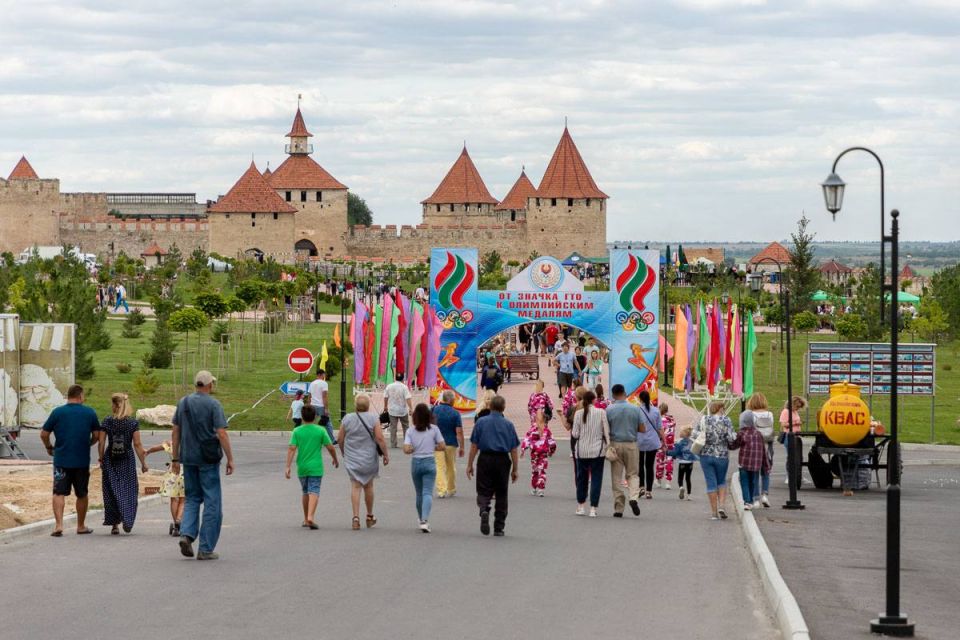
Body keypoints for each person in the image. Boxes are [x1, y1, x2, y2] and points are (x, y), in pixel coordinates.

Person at [171, 371, 235, 560]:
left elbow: (175, 431)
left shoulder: (183, 402)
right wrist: (230, 458)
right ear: (210, 385)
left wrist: (175, 458)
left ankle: (187, 534)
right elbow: (221, 433)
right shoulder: (214, 404)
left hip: (188, 458)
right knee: (212, 503)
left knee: (191, 498)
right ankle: (205, 548)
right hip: (208, 459)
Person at [40, 384, 101, 537]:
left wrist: (49, 447)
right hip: (81, 461)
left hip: (61, 460)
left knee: (58, 492)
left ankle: (59, 525)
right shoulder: (89, 412)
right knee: (81, 494)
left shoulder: (57, 412)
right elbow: (97, 434)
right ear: (80, 396)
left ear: (68, 396)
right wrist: (89, 443)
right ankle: (80, 526)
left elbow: (44, 433)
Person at [466, 395, 520, 537]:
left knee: (483, 488)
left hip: (485, 458)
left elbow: (474, 446)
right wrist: (515, 469)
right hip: (502, 460)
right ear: (504, 408)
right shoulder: (509, 425)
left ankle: (484, 508)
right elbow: (514, 449)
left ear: (490, 407)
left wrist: (470, 464)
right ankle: (499, 527)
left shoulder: (481, 422)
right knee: (502, 492)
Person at [97, 393, 148, 534]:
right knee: (129, 489)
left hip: (110, 459)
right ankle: (128, 519)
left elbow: (101, 442)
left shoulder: (107, 421)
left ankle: (115, 524)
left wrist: (101, 458)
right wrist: (143, 463)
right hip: (127, 459)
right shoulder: (132, 423)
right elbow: (137, 444)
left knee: (111, 490)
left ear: (114, 405)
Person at [339, 394, 389, 530]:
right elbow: (379, 438)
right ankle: (369, 515)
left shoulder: (347, 418)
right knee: (368, 486)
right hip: (369, 457)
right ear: (367, 406)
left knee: (355, 486)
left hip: (352, 457)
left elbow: (340, 438)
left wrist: (344, 452)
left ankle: (355, 517)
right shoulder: (374, 418)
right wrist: (385, 454)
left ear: (356, 405)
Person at [285, 405, 339, 529]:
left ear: (302, 417)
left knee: (305, 492)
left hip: (302, 467)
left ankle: (305, 518)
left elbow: (292, 448)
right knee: (314, 490)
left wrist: (288, 466)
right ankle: (310, 517)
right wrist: (335, 459)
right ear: (315, 417)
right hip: (316, 467)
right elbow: (330, 447)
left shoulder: (297, 431)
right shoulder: (320, 430)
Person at [403, 403, 446, 533]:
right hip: (429, 461)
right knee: (427, 492)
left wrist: (412, 448)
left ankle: (420, 517)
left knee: (419, 493)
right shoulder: (434, 429)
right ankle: (424, 519)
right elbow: (443, 446)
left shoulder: (410, 430)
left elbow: (406, 449)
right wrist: (433, 447)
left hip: (416, 462)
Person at [692, 400, 736, 520]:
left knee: (711, 482)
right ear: (720, 408)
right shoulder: (727, 420)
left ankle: (714, 513)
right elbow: (732, 438)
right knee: (721, 481)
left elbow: (694, 433)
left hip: (706, 455)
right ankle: (722, 505)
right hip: (722, 455)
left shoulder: (704, 419)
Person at [605, 384, 644, 517]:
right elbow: (643, 429)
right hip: (631, 444)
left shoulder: (609, 409)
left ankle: (619, 508)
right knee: (632, 474)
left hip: (615, 445)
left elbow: (606, 428)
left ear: (614, 394)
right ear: (625, 392)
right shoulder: (635, 409)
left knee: (616, 477)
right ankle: (633, 497)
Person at [571, 390, 610, 517]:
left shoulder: (578, 414)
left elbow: (575, 434)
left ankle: (581, 505)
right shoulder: (601, 412)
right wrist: (608, 445)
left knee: (582, 478)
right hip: (598, 450)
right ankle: (593, 508)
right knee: (596, 479)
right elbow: (606, 432)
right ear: (594, 400)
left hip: (582, 450)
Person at [729, 410, 770, 511]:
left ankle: (747, 502)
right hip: (756, 464)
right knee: (753, 482)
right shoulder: (759, 434)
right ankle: (751, 500)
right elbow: (763, 450)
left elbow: (734, 445)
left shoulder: (742, 433)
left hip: (744, 462)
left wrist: (728, 442)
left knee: (744, 482)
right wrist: (765, 464)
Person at [144, 439, 185, 536]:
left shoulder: (171, 442)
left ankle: (176, 526)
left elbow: (156, 448)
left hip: (173, 472)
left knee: (174, 499)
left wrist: (148, 451)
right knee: (184, 500)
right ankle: (179, 520)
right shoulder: (190, 442)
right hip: (186, 472)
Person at [520, 390, 557, 496]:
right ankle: (539, 488)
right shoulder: (546, 430)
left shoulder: (533, 429)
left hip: (535, 453)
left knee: (536, 470)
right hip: (542, 453)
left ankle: (535, 487)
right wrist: (551, 450)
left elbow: (527, 440)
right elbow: (552, 442)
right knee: (541, 470)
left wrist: (523, 449)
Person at [431, 390, 464, 499]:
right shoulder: (455, 413)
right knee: (451, 467)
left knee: (439, 467)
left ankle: (441, 490)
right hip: (451, 443)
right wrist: (462, 446)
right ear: (451, 400)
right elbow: (459, 431)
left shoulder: (434, 410)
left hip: (437, 444)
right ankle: (451, 488)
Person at [746, 392, 776, 507]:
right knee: (766, 472)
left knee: (755, 473)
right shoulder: (770, 414)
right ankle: (765, 494)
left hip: (755, 446)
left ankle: (756, 498)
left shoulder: (750, 415)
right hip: (767, 445)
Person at [636, 390, 662, 498]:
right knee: (649, 466)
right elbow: (659, 428)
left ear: (640, 399)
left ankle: (641, 486)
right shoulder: (656, 411)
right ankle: (649, 491)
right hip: (652, 441)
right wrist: (664, 441)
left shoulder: (637, 411)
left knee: (640, 464)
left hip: (639, 440)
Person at [779, 395, 807, 485]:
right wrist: (795, 423)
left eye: (799, 407)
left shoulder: (795, 412)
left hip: (797, 436)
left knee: (798, 458)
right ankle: (789, 476)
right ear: (792, 404)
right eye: (797, 406)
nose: (798, 408)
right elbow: (784, 424)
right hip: (789, 436)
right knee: (791, 457)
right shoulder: (786, 411)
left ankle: (799, 476)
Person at [667, 424, 698, 500]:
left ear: (683, 433)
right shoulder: (692, 442)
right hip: (690, 462)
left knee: (680, 478)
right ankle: (689, 495)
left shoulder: (679, 442)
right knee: (688, 478)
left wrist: (667, 452)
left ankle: (681, 487)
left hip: (682, 462)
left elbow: (675, 452)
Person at [383, 372, 413, 448]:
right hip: (402, 410)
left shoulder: (389, 386)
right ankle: (407, 443)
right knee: (405, 426)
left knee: (393, 427)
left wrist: (385, 406)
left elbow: (385, 397)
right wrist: (410, 408)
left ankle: (393, 444)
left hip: (392, 410)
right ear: (403, 379)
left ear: (395, 378)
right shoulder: (404, 387)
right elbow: (408, 398)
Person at [655, 402, 676, 490]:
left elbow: (659, 431)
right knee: (669, 462)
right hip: (670, 444)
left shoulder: (659, 420)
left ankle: (659, 480)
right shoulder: (672, 420)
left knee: (660, 462)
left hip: (661, 444)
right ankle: (668, 482)